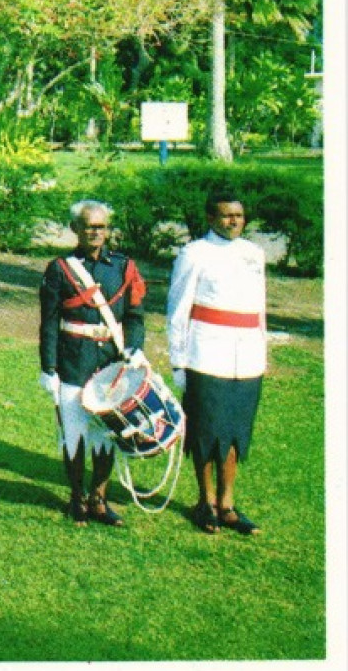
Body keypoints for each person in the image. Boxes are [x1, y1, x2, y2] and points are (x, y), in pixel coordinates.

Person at [39, 200, 147, 528]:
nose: (95, 232)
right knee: (74, 433)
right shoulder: (60, 269)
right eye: (88, 226)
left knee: (105, 435)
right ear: (75, 229)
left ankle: (99, 498)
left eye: (100, 227)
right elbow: (49, 322)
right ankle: (76, 497)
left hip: (110, 363)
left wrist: (135, 348)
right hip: (73, 360)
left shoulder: (123, 267)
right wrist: (49, 368)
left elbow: (135, 315)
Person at [167, 190, 269, 537]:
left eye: (238, 215)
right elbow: (178, 310)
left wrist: (262, 353)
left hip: (247, 357)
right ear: (212, 218)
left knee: (237, 432)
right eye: (226, 216)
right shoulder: (195, 253)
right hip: (206, 354)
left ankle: (228, 504)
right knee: (207, 431)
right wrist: (178, 362)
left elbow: (259, 310)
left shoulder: (253, 254)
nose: (234, 221)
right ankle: (205, 502)